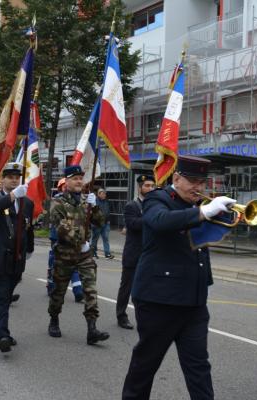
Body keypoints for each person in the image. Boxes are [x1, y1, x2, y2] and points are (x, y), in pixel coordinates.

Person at [122, 156, 236, 400]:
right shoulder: (157, 198)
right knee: (145, 365)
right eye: (193, 181)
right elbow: (159, 222)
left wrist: (221, 217)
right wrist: (204, 211)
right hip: (159, 300)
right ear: (176, 178)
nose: (199, 188)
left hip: (194, 301)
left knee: (198, 367)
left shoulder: (195, 204)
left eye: (202, 183)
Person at [47, 165, 109, 345]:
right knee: (58, 292)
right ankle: (54, 319)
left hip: (84, 256)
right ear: (66, 181)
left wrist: (95, 206)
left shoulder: (86, 200)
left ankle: (92, 329)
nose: (79, 182)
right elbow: (60, 227)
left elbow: (100, 222)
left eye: (81, 178)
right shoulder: (58, 202)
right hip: (64, 255)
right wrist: (80, 241)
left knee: (90, 290)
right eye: (75, 179)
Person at [0, 163, 34, 353]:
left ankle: (0, 331)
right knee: (2, 296)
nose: (14, 180)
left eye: (16, 177)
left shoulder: (27, 202)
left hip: (16, 259)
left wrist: (30, 249)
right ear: (2, 179)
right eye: (10, 176)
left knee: (6, 296)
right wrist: (12, 196)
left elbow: (28, 228)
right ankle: (2, 334)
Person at [116, 175, 155, 330]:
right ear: (140, 187)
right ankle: (121, 316)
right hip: (133, 254)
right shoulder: (132, 206)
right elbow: (133, 224)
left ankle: (146, 317)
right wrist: (152, 217)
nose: (150, 188)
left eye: (152, 186)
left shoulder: (155, 205)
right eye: (147, 185)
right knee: (126, 287)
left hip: (150, 254)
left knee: (147, 288)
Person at [47, 176, 84, 302]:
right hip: (58, 238)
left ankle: (78, 290)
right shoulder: (57, 201)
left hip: (74, 240)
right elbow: (59, 222)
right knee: (54, 263)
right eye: (62, 186)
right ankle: (51, 286)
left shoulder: (77, 200)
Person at [90, 188, 114, 259]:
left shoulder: (107, 201)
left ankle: (107, 254)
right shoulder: (95, 201)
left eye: (105, 193)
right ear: (98, 194)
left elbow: (108, 210)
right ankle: (93, 253)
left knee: (106, 238)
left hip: (106, 223)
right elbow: (93, 212)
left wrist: (109, 220)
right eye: (103, 193)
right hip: (97, 223)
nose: (104, 195)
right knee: (95, 238)